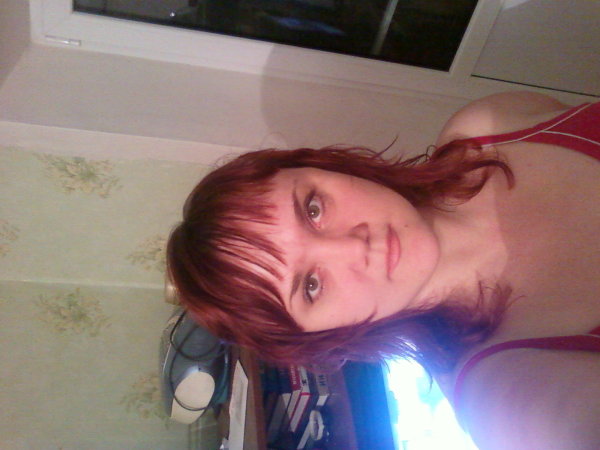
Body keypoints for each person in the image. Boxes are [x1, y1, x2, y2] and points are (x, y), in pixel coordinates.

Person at [167, 91, 600, 449]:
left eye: (313, 209)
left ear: (323, 166)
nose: (354, 247)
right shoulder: (501, 392)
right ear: (322, 335)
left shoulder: (482, 128)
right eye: (311, 285)